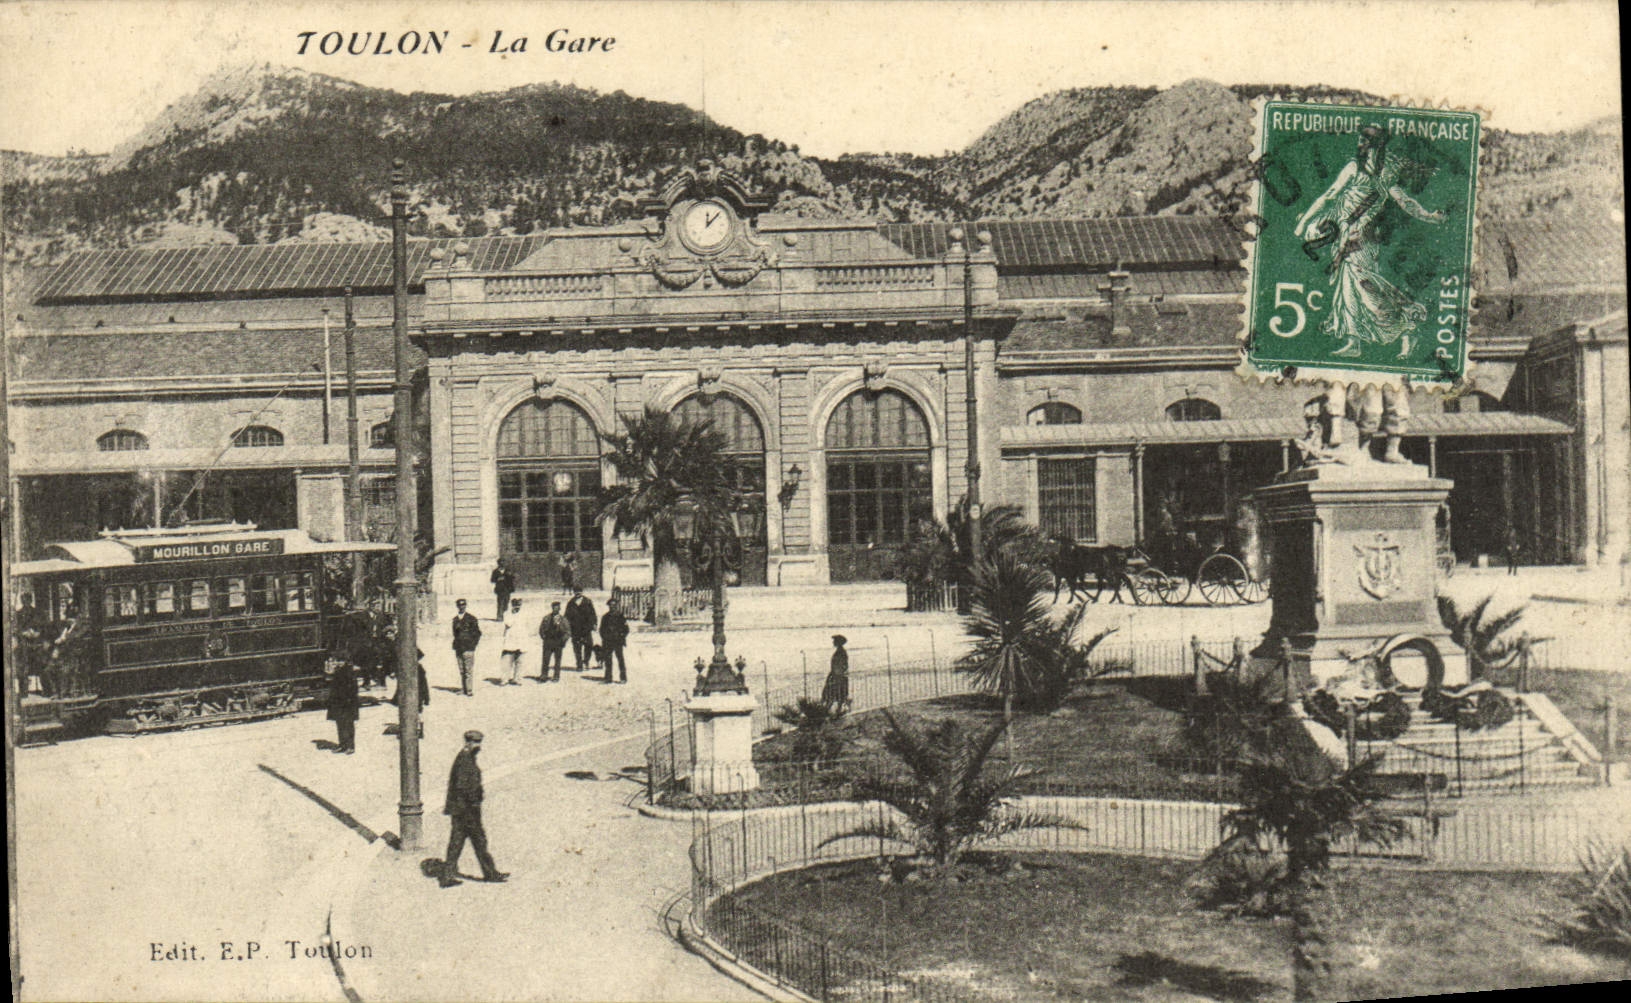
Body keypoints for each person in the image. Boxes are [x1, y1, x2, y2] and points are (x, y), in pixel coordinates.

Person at [1294, 123, 1447, 361]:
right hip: (1346, 235)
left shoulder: (1386, 173)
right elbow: (1330, 195)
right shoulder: (1353, 168)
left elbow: (1404, 201)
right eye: (1360, 141)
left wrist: (1429, 217)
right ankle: (1354, 342)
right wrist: (1305, 221)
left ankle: (1409, 326)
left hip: (1364, 240)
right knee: (1348, 290)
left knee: (1367, 290)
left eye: (1364, 141)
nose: (1359, 145)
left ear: (1375, 146)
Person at [440, 730, 508, 887]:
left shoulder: (466, 757)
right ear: (469, 742)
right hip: (467, 810)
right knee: (474, 841)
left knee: (464, 842)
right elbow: (464, 787)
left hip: (462, 809)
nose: (479, 746)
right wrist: (474, 802)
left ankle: (451, 876)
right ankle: (488, 874)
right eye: (477, 743)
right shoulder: (465, 760)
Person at [14, 593, 51, 696]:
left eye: (28, 600)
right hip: (24, 644)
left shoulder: (37, 612)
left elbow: (43, 626)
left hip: (37, 643)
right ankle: (24, 692)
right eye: (24, 600)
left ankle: (47, 690)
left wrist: (37, 633)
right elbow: (15, 628)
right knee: (23, 667)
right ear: (21, 601)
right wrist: (23, 633)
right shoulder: (18, 614)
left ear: (31, 600)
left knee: (42, 665)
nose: (26, 602)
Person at [325, 659, 359, 754]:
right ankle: (342, 745)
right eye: (337, 661)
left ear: (345, 662)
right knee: (340, 723)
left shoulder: (349, 672)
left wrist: (348, 700)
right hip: (339, 702)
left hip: (347, 702)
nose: (337, 663)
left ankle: (350, 746)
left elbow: (353, 688)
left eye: (340, 661)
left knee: (348, 724)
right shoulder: (338, 671)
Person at [450, 598, 482, 696]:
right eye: (460, 605)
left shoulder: (471, 619)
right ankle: (463, 689)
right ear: (457, 606)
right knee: (461, 670)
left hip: (468, 647)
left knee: (468, 670)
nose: (462, 607)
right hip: (458, 647)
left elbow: (478, 633)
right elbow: (454, 633)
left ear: (466, 606)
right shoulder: (455, 619)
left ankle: (469, 690)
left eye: (463, 605)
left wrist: (473, 644)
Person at [565, 588, 597, 672]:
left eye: (579, 591)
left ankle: (586, 661)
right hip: (575, 629)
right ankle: (579, 664)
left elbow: (593, 614)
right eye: (576, 592)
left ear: (582, 592)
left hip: (586, 628)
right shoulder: (571, 603)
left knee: (589, 645)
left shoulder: (588, 602)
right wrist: (567, 627)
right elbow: (566, 616)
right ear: (574, 592)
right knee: (577, 648)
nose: (578, 593)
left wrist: (594, 624)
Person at [599, 598, 630, 684]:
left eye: (614, 606)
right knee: (608, 660)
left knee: (620, 659)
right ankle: (608, 678)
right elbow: (601, 630)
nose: (612, 607)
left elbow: (626, 629)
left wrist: (621, 636)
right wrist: (605, 637)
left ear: (616, 606)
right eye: (610, 606)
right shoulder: (605, 617)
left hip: (618, 641)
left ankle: (623, 678)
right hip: (608, 641)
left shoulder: (621, 616)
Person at [537, 600, 568, 682]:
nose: (556, 609)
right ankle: (544, 675)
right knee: (546, 659)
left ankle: (556, 676)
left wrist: (563, 641)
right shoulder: (547, 618)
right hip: (548, 641)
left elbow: (567, 632)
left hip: (558, 641)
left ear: (560, 609)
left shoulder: (563, 619)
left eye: (557, 608)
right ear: (552, 608)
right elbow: (541, 629)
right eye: (554, 607)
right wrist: (544, 637)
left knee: (557, 660)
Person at [822, 634, 851, 715]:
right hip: (837, 676)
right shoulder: (840, 652)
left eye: (834, 641)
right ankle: (833, 711)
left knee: (833, 695)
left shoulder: (840, 652)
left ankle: (831, 712)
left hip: (838, 677)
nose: (833, 642)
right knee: (836, 695)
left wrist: (835, 675)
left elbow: (842, 666)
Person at [500, 598, 526, 685]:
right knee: (507, 661)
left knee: (519, 661)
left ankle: (517, 679)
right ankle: (504, 679)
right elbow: (508, 623)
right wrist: (513, 614)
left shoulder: (524, 614)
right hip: (510, 641)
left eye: (519, 605)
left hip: (520, 640)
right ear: (512, 605)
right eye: (516, 605)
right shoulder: (507, 613)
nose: (517, 607)